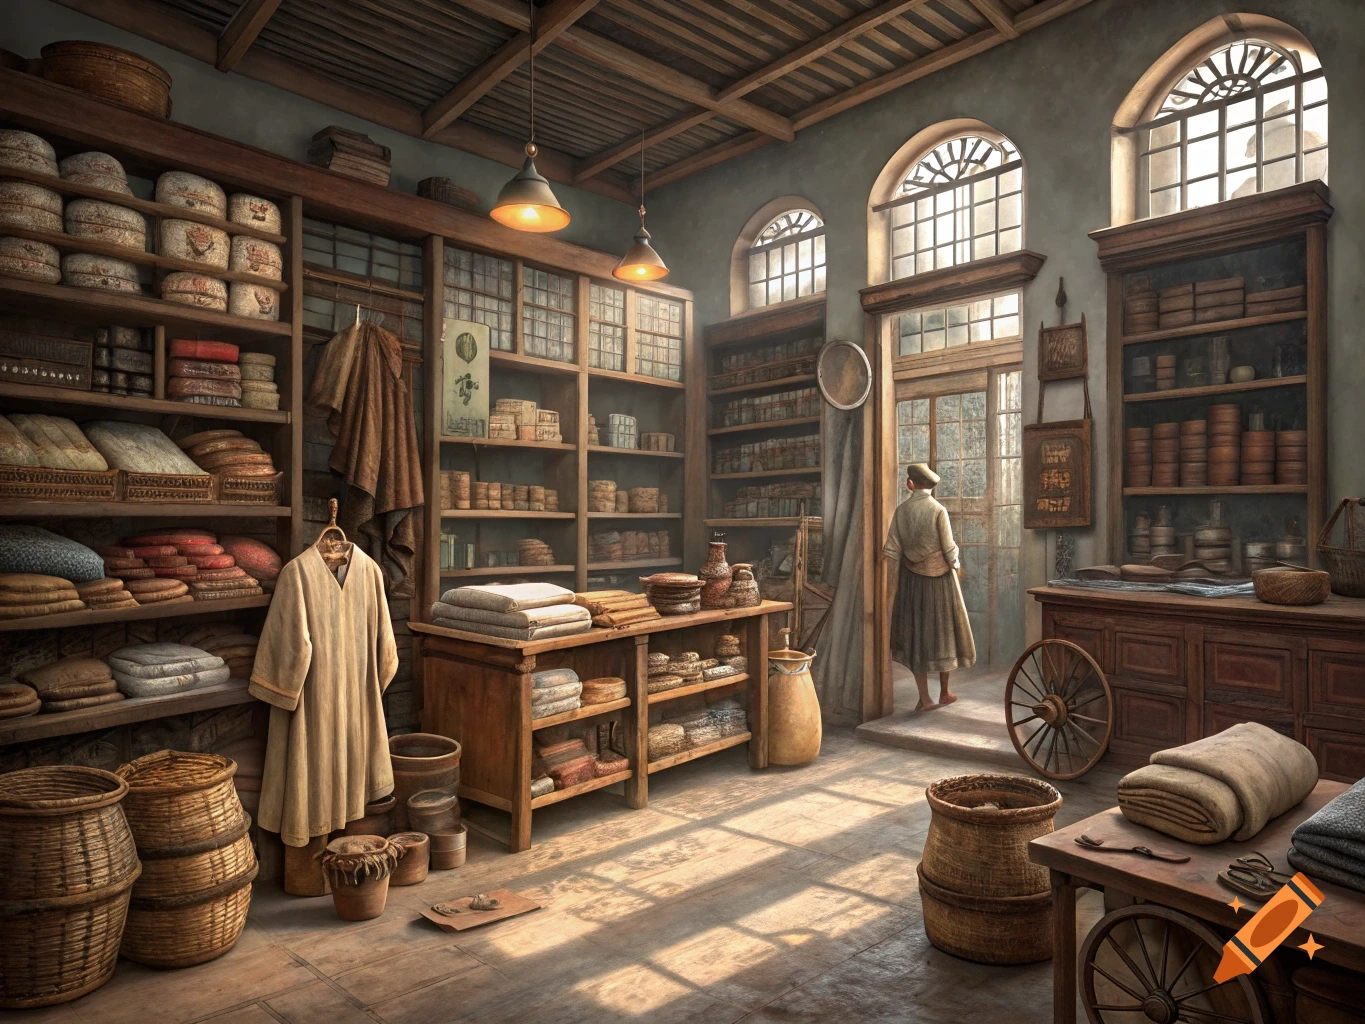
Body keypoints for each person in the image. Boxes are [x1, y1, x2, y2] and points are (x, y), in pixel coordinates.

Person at [883, 463, 976, 711]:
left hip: (911, 581)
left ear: (910, 484)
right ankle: (944, 692)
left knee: (917, 635)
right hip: (940, 581)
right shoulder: (938, 510)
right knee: (944, 633)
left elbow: (891, 549)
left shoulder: (901, 511)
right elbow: (949, 548)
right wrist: (956, 566)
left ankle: (924, 698)